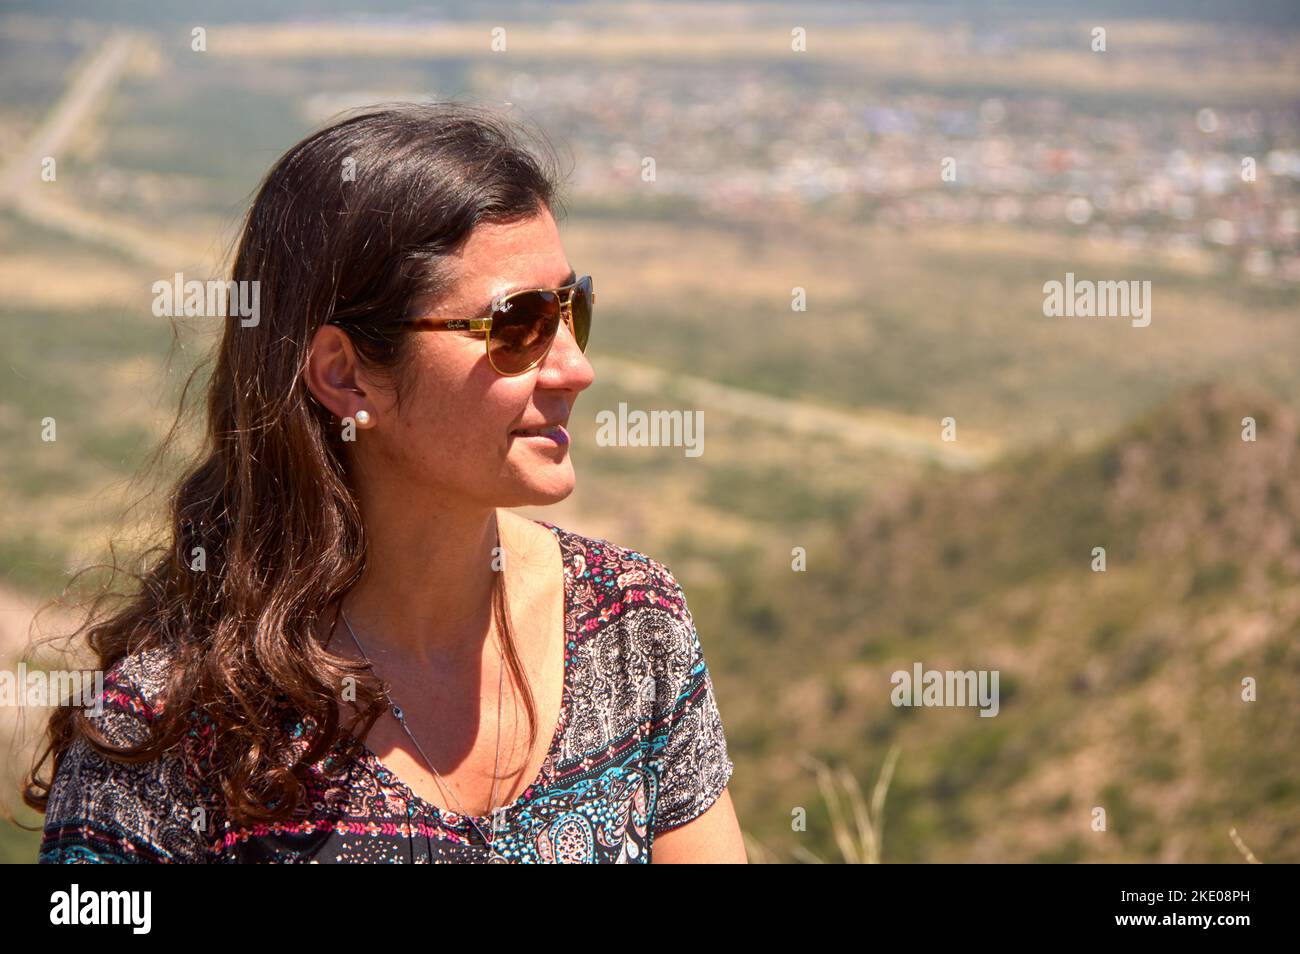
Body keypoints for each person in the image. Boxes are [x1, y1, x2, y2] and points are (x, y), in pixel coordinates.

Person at [24, 101, 743, 863]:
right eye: (518, 325)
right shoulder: (173, 729)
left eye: (573, 309)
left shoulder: (631, 625)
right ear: (346, 375)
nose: (575, 368)